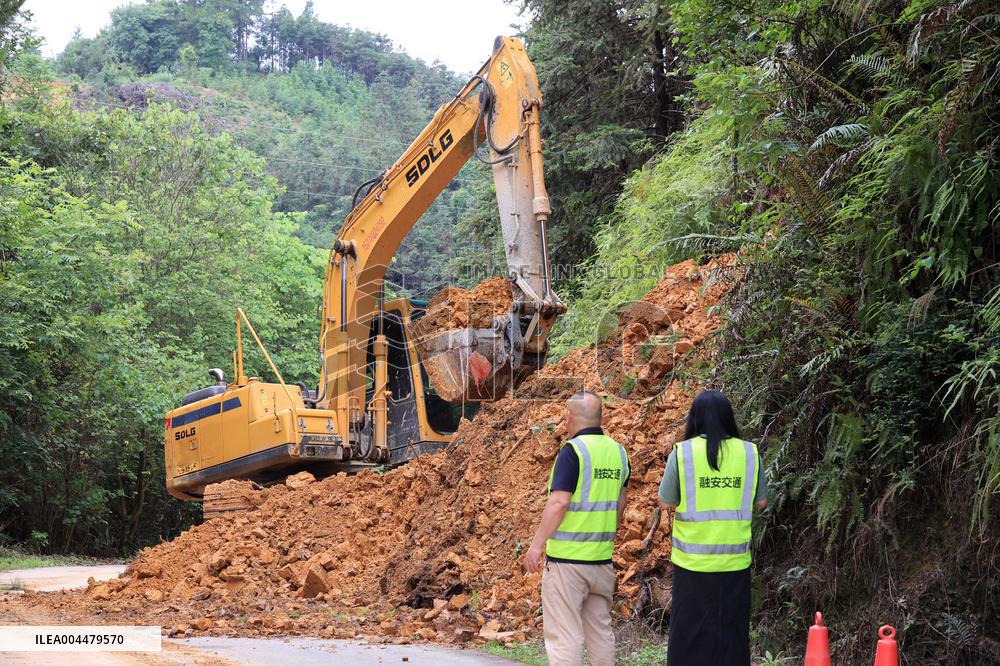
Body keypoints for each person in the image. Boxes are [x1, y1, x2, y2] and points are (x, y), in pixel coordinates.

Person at [657, 389, 768, 665]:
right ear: (728, 418)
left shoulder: (682, 454)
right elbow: (761, 502)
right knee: (731, 632)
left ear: (694, 419)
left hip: (692, 565)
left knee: (690, 635)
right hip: (734, 564)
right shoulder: (749, 453)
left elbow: (666, 501)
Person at [524, 390, 630, 666]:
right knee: (600, 633)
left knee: (565, 635)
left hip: (567, 564)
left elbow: (559, 502)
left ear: (569, 416)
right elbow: (621, 501)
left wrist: (536, 546)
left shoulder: (573, 452)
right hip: (601, 561)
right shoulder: (618, 452)